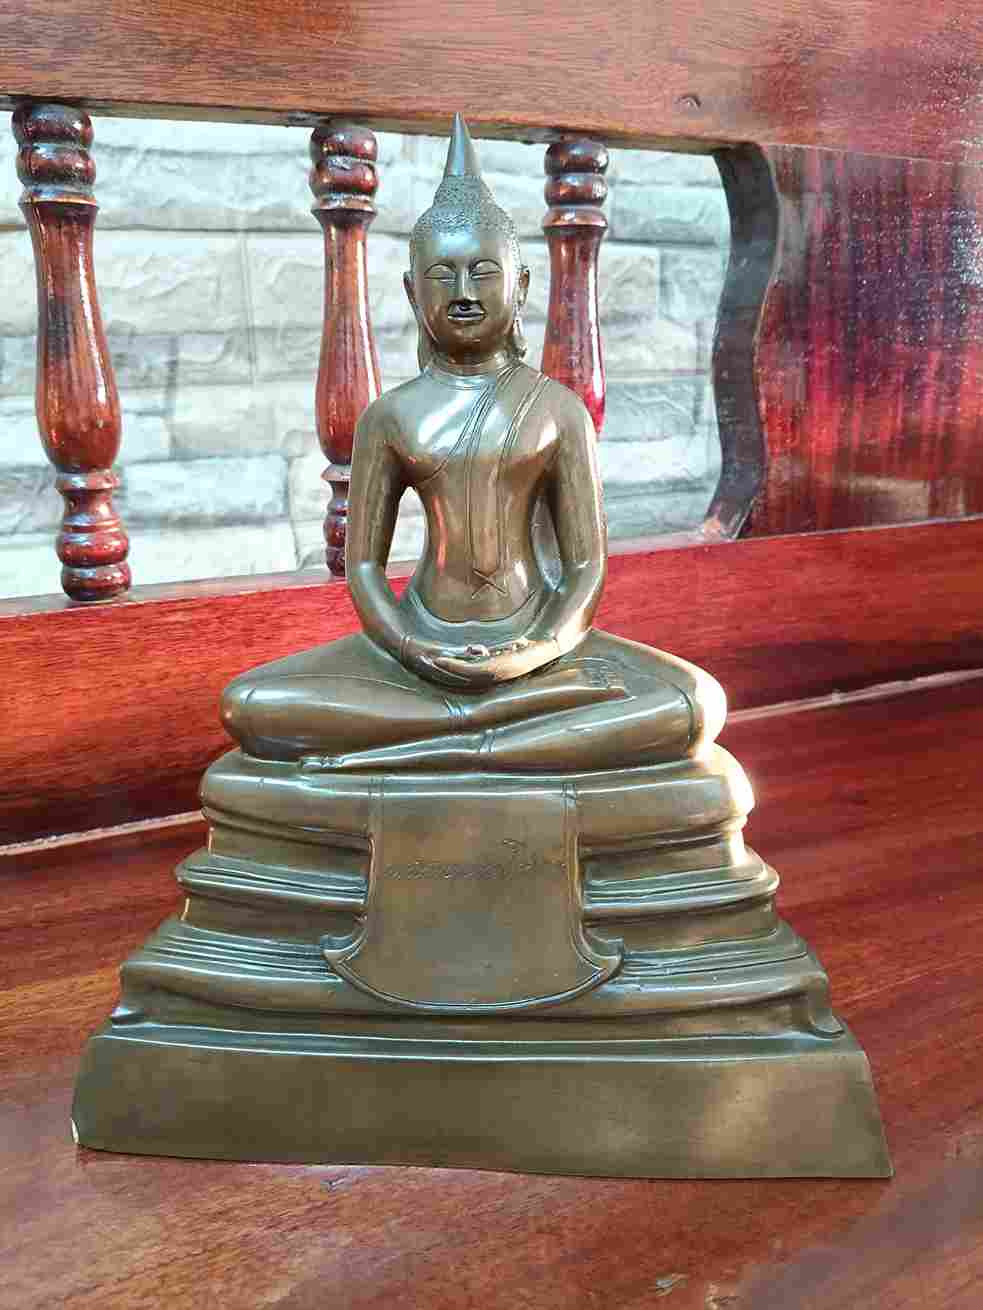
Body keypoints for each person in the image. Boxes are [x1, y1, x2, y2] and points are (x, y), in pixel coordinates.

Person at [221, 116, 725, 772]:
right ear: (412, 292)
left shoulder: (557, 410)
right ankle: (495, 734)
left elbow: (585, 567)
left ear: (520, 286)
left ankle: (455, 742)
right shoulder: (389, 416)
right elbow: (365, 568)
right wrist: (411, 646)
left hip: (539, 643)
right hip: (417, 646)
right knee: (249, 703)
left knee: (693, 702)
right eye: (442, 275)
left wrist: (538, 649)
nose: (462, 293)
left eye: (483, 273)